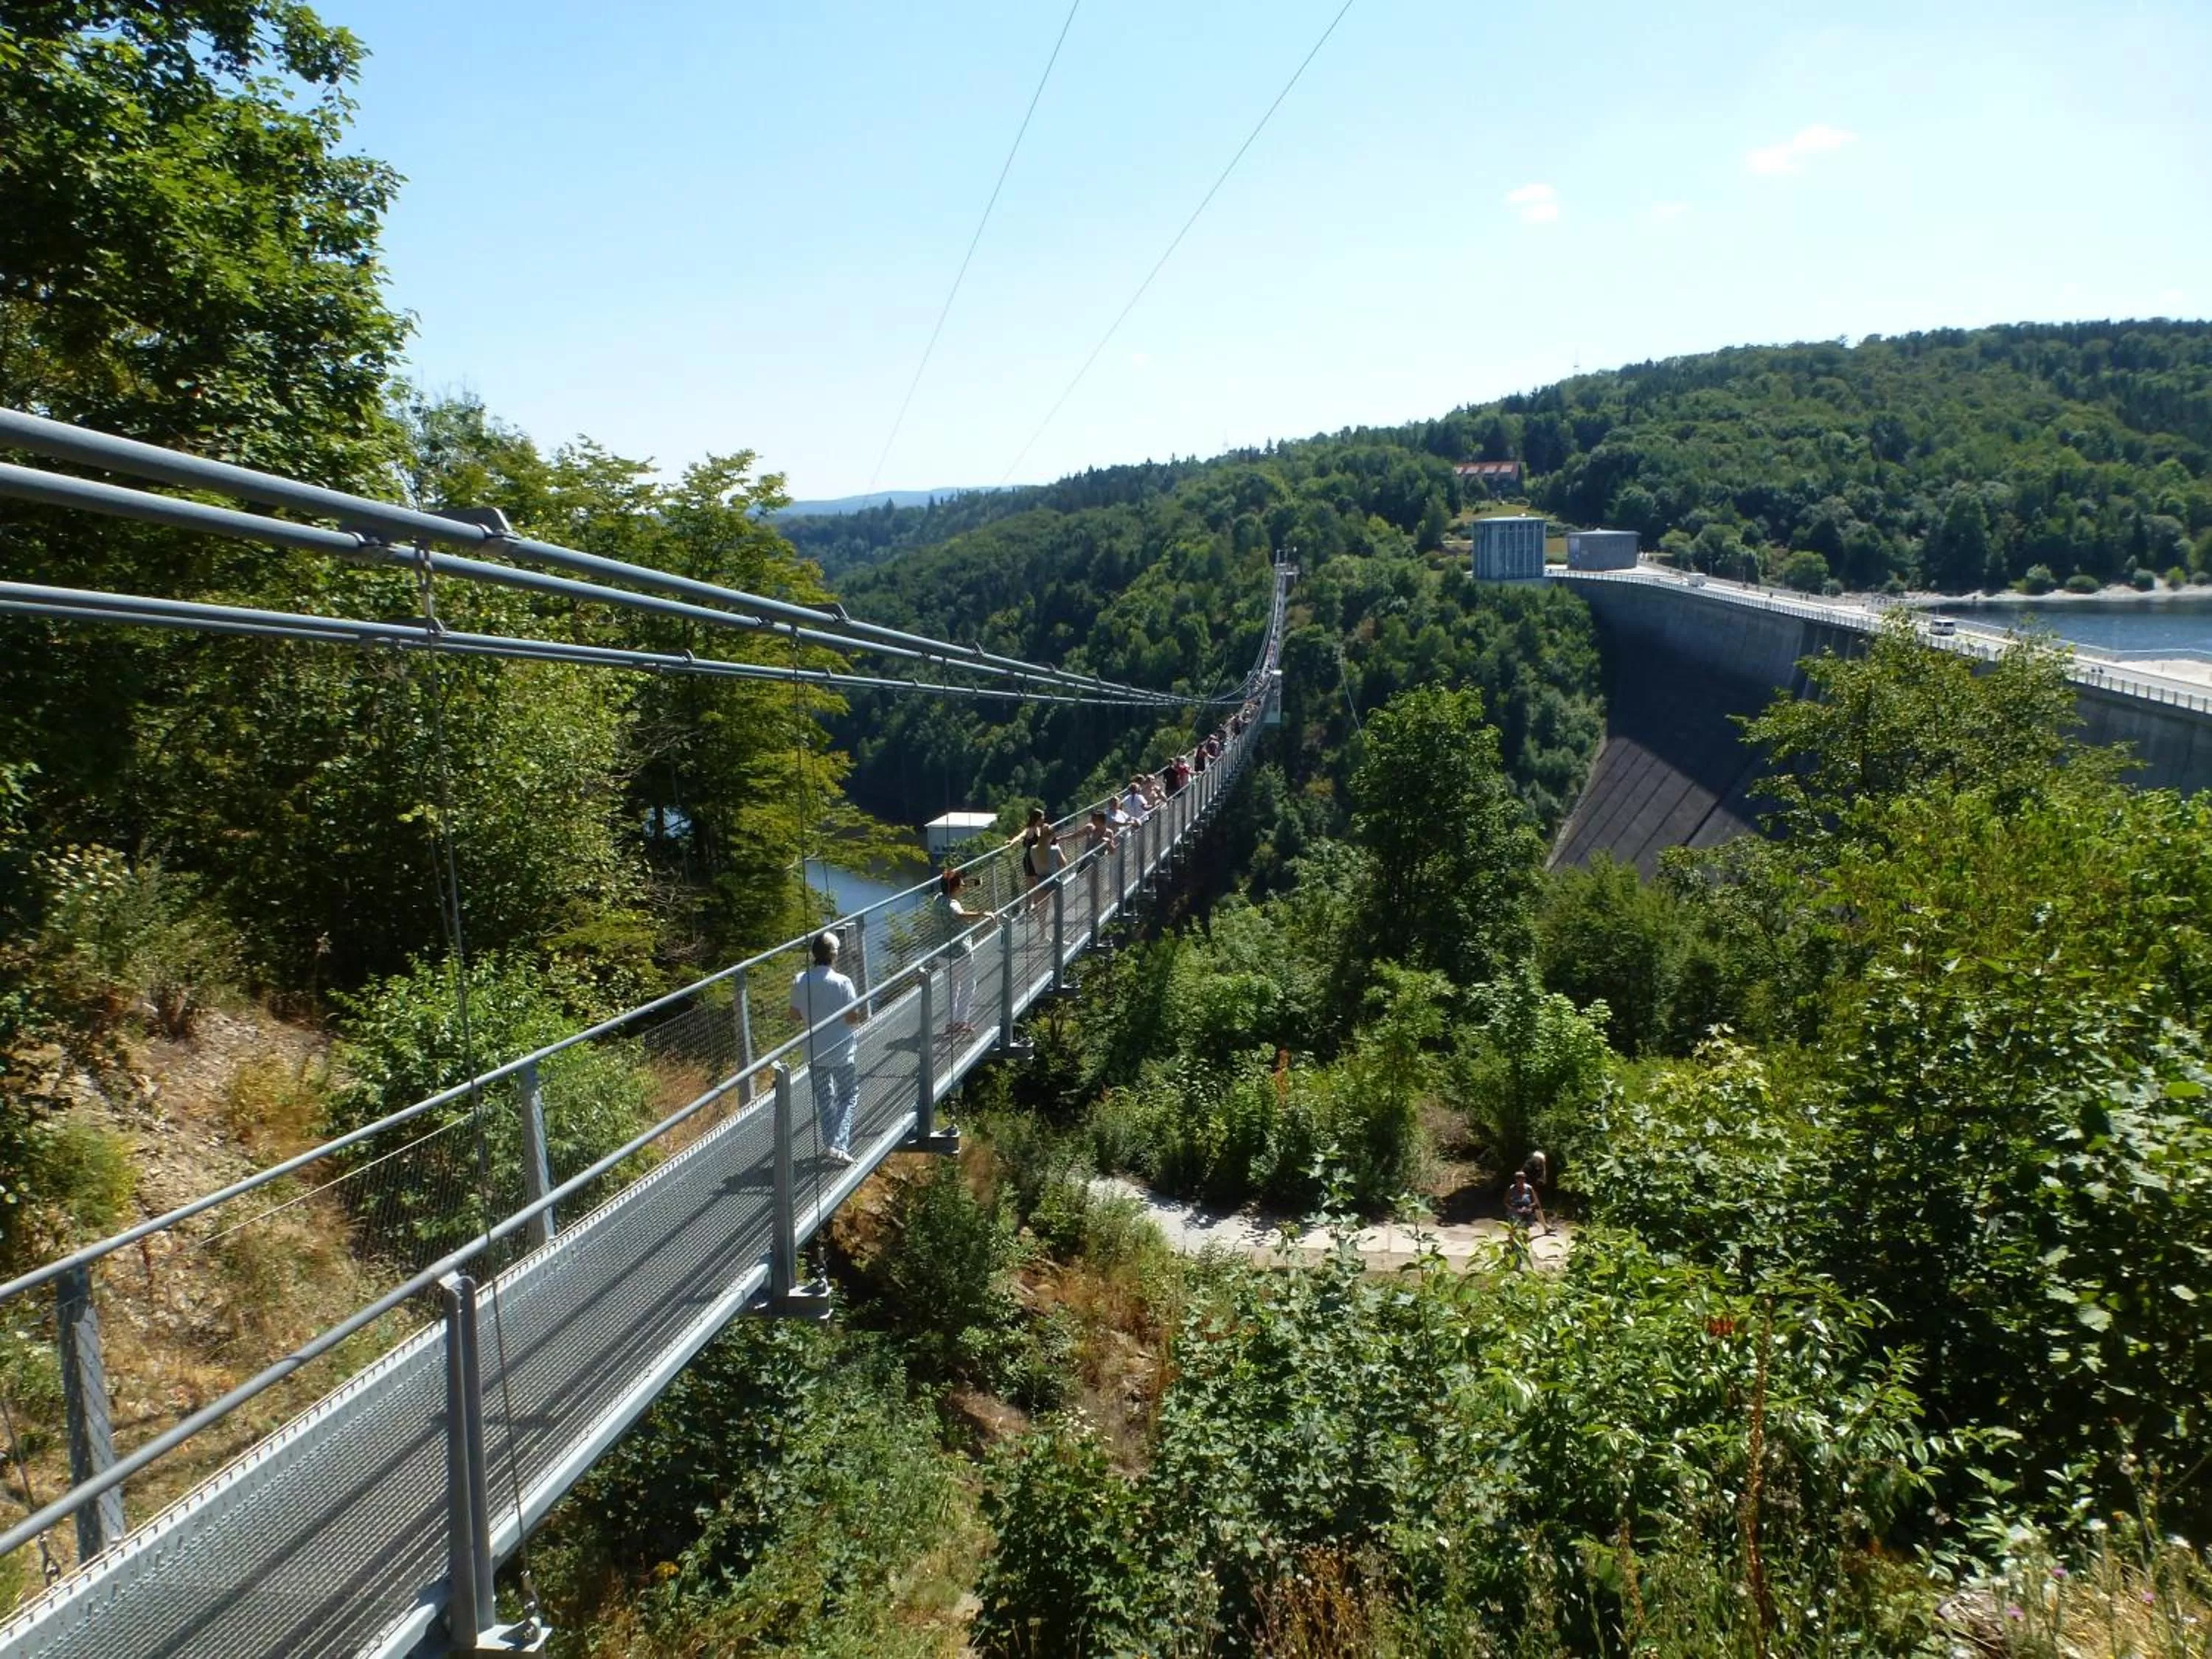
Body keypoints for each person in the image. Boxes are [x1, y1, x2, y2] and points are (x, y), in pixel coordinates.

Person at [788, 931, 863, 1164]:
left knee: (825, 1098)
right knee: (849, 1096)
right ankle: (838, 1144)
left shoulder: (800, 980)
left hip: (814, 1049)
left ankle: (832, 1145)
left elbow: (794, 1015)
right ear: (834, 955)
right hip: (841, 1049)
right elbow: (852, 1017)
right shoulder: (843, 982)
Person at [933, 866, 979, 1037]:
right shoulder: (953, 905)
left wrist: (958, 882)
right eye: (961, 885)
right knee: (968, 986)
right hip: (959, 953)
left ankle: (950, 1024)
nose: (963, 887)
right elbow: (960, 914)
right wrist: (983, 914)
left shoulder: (938, 900)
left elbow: (951, 892)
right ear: (955, 888)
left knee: (951, 988)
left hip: (942, 953)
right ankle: (960, 1023)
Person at [1505, 1166, 1545, 1231]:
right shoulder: (1511, 1189)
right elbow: (1506, 1202)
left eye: (1523, 1178)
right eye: (1519, 1179)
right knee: (1514, 1224)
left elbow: (1536, 1201)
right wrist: (1514, 1209)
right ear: (1516, 1180)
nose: (1522, 1181)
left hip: (1527, 1208)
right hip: (1515, 1209)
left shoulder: (1529, 1188)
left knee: (1529, 1218)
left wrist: (1529, 1208)